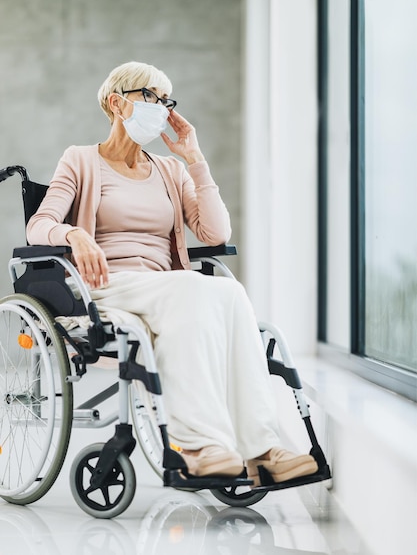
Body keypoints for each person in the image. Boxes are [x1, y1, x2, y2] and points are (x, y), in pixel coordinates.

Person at [27, 61, 318, 486]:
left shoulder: (170, 170)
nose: (162, 108)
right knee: (191, 290)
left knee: (230, 294)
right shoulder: (81, 160)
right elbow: (38, 225)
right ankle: (202, 447)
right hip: (107, 286)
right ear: (117, 103)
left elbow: (216, 232)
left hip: (167, 288)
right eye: (152, 97)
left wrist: (194, 159)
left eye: (167, 101)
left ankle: (262, 449)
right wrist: (74, 234)